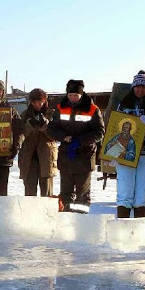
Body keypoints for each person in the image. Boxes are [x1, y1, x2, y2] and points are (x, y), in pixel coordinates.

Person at [47, 79, 104, 210]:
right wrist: (63, 137)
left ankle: (81, 222)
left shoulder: (92, 109)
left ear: (81, 94)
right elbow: (51, 129)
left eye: (76, 95)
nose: (73, 98)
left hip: (84, 156)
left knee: (82, 195)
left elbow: (99, 132)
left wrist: (81, 141)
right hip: (66, 156)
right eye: (70, 95)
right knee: (65, 194)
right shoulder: (60, 108)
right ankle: (66, 219)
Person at [115, 70, 145, 218]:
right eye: (137, 86)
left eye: (143, 87)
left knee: (143, 193)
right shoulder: (124, 105)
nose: (140, 90)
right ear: (133, 87)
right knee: (125, 190)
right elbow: (115, 128)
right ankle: (122, 223)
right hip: (126, 153)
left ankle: (139, 224)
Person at [18, 88, 57, 197]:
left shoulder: (52, 114)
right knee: (30, 192)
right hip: (29, 157)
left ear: (44, 101)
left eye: (40, 102)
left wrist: (45, 127)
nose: (37, 105)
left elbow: (56, 136)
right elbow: (20, 134)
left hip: (46, 158)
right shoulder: (25, 115)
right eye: (34, 102)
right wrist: (29, 125)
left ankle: (47, 214)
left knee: (47, 193)